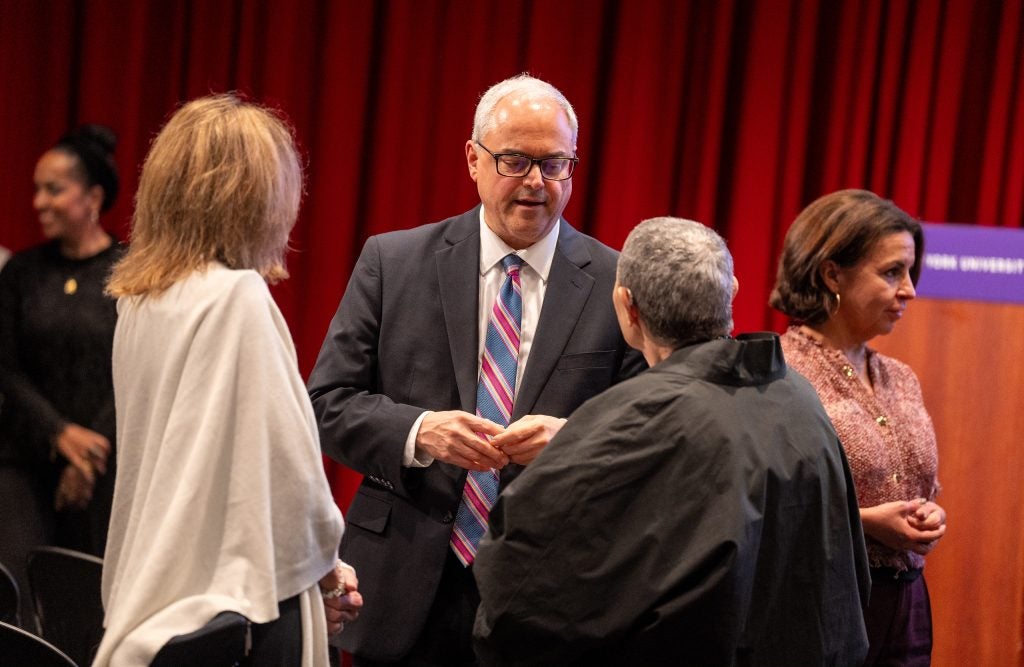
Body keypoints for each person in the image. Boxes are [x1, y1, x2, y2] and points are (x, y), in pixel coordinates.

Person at [308, 74, 646, 665]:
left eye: (555, 164)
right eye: (515, 161)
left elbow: (649, 433)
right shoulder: (394, 261)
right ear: (473, 158)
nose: (537, 183)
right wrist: (419, 433)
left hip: (551, 600)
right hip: (401, 587)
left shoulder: (617, 283)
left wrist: (572, 441)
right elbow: (327, 402)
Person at [472, 217, 871, 666]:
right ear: (731, 292)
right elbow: (846, 570)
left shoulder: (624, 421)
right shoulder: (797, 396)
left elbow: (517, 590)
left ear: (627, 307)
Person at [93, 94, 362, 666]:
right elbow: (291, 477)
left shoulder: (139, 302)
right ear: (256, 200)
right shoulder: (237, 297)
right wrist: (330, 570)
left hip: (152, 594)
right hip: (238, 616)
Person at [769, 189, 946, 666]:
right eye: (892, 273)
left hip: (907, 607)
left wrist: (929, 516)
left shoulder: (900, 376)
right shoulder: (779, 371)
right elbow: (759, 506)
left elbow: (920, 485)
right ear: (832, 274)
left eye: (910, 272)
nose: (909, 289)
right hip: (820, 602)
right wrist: (866, 524)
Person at [0, 125, 122, 626]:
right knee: (17, 599)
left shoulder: (131, 271)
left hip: (106, 464)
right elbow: (5, 367)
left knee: (86, 604)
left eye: (54, 189)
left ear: (93, 196)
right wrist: (60, 434)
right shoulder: (21, 273)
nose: (38, 202)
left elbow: (138, 372)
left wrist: (89, 454)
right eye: (37, 189)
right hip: (24, 457)